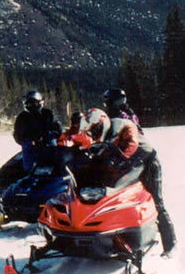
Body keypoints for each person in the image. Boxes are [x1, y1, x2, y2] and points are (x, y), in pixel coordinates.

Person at [84, 108, 177, 258]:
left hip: (148, 162)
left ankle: (170, 244)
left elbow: (130, 147)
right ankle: (117, 236)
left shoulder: (122, 124)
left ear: (102, 121)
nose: (95, 133)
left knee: (157, 201)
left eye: (95, 129)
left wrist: (115, 162)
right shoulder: (105, 135)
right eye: (92, 131)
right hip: (131, 165)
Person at [13, 91, 62, 171]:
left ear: (40, 103)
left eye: (34, 103)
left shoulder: (48, 114)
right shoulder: (22, 117)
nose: (31, 106)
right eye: (29, 104)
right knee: (27, 147)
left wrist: (46, 135)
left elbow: (58, 129)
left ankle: (54, 168)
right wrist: (26, 140)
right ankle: (29, 171)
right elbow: (17, 134)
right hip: (31, 145)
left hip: (47, 143)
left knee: (52, 144)